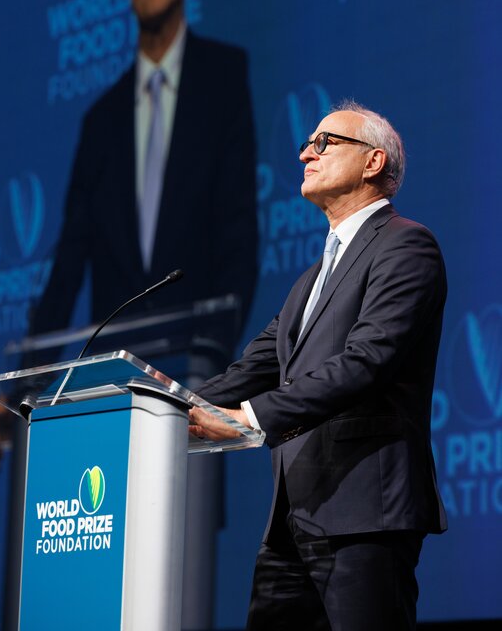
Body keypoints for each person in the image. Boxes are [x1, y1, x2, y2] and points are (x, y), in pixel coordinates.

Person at [190, 102, 447, 631]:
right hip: (291, 520)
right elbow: (255, 367)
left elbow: (366, 362)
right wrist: (158, 405)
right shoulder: (311, 277)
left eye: (326, 142)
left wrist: (249, 420)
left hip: (364, 515)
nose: (306, 152)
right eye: (308, 142)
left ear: (373, 162)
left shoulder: (406, 246)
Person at [28, 0, 257, 342]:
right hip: (113, 385)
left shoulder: (224, 77)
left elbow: (239, 241)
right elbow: (68, 264)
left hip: (194, 381)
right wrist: (28, 379)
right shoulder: (101, 122)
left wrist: (216, 362)